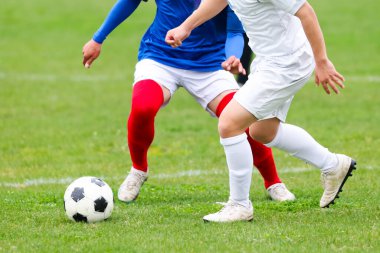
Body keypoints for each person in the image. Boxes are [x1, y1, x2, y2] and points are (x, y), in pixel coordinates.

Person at [82, 0, 296, 204]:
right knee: (143, 106)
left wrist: (233, 57)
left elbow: (234, 32)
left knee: (241, 119)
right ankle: (138, 170)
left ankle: (273, 181)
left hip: (211, 64)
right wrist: (98, 38)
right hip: (160, 57)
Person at [166, 0, 357, 222]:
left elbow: (306, 12)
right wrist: (186, 27)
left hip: (287, 63)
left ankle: (239, 205)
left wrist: (322, 61)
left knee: (229, 123)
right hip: (269, 61)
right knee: (262, 132)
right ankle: (333, 165)